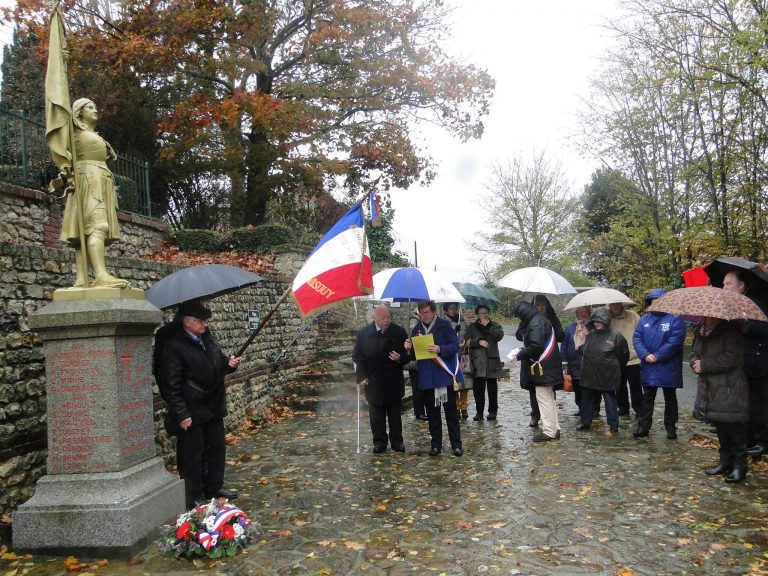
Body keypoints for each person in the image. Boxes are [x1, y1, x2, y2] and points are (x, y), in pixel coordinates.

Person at [159, 300, 242, 508]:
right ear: (188, 322)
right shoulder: (174, 346)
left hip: (213, 405)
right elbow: (171, 384)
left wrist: (228, 364)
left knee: (217, 448)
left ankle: (214, 486)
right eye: (201, 320)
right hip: (191, 408)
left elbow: (218, 362)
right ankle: (193, 494)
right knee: (192, 455)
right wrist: (181, 413)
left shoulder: (207, 338)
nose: (205, 324)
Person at [60, 98, 129, 289]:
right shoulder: (73, 130)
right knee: (98, 226)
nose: (96, 110)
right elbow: (57, 122)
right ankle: (100, 275)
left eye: (95, 107)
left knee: (84, 230)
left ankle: (82, 279)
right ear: (79, 112)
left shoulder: (90, 133)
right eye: (90, 107)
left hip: (98, 177)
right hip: (89, 178)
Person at [691, 316, 750, 483]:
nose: (704, 317)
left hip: (729, 387)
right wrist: (695, 363)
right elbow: (695, 352)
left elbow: (732, 357)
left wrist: (705, 364)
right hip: (710, 387)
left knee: (734, 427)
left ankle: (740, 465)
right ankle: (725, 461)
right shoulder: (701, 331)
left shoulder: (731, 332)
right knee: (720, 426)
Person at [404, 300, 463, 456]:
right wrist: (409, 349)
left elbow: (455, 346)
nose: (425, 315)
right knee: (432, 414)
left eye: (428, 312)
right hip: (428, 378)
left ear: (433, 312)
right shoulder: (416, 330)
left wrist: (440, 348)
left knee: (451, 413)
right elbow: (414, 356)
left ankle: (456, 444)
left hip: (444, 376)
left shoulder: (444, 325)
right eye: (422, 313)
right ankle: (435, 444)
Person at [722, 270, 768, 458]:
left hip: (757, 364)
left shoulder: (755, 302)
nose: (724, 287)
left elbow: (764, 327)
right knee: (742, 404)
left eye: (728, 284)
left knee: (759, 404)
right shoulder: (729, 304)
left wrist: (744, 324)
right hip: (737, 363)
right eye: (723, 284)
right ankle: (747, 439)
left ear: (741, 286)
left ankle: (763, 441)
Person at [352, 305, 409, 453]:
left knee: (395, 416)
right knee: (376, 416)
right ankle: (379, 442)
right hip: (373, 381)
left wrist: (400, 357)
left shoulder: (399, 332)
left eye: (388, 317)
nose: (387, 320)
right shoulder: (364, 334)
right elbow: (357, 356)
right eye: (383, 318)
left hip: (393, 381)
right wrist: (361, 376)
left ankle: (397, 441)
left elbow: (409, 354)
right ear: (375, 318)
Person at [632, 289, 686, 439]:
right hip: (649, 364)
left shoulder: (675, 319)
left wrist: (657, 355)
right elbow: (637, 338)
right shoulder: (644, 320)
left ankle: (670, 427)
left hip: (669, 365)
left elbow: (675, 342)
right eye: (653, 301)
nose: (656, 303)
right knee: (647, 396)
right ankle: (643, 426)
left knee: (670, 396)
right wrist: (644, 354)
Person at [512, 301, 563, 442]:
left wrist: (520, 354)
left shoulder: (535, 323)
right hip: (548, 367)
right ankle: (555, 428)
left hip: (544, 369)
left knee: (544, 399)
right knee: (549, 399)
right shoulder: (539, 320)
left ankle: (549, 431)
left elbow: (536, 346)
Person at [577, 307, 629, 433]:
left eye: (599, 321)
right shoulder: (591, 335)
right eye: (595, 321)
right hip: (589, 372)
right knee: (587, 398)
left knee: (609, 399)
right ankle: (585, 421)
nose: (596, 323)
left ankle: (613, 425)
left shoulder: (616, 336)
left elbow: (623, 357)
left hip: (607, 374)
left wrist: (612, 367)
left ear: (606, 321)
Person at [466, 304, 505, 421]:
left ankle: (493, 412)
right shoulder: (472, 326)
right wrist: (478, 342)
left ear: (488, 314)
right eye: (481, 313)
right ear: (477, 315)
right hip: (477, 362)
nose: (484, 315)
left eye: (486, 313)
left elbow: (499, 336)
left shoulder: (496, 325)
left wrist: (489, 327)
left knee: (492, 389)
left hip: (491, 360)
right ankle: (479, 412)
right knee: (478, 390)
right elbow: (467, 342)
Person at [608, 302, 641, 417]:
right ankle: (623, 408)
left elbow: (641, 331)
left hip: (634, 358)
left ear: (621, 304)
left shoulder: (633, 315)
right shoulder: (608, 318)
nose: (615, 306)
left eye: (617, 304)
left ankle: (638, 408)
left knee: (636, 386)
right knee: (619, 386)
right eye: (612, 305)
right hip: (616, 358)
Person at [441, 303, 472, 419]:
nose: (453, 311)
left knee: (465, 384)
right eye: (451, 308)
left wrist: (466, 341)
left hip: (463, 355)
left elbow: (468, 335)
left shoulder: (462, 321)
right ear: (446, 310)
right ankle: (456, 406)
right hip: (451, 357)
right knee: (454, 384)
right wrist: (454, 333)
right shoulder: (443, 323)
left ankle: (464, 407)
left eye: (455, 308)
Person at [561, 306, 591, 416]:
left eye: (585, 311)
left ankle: (593, 409)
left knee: (589, 387)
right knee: (577, 388)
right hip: (574, 364)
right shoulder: (569, 328)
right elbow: (563, 346)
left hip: (589, 364)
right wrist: (564, 361)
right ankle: (581, 407)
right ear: (577, 314)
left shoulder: (592, 327)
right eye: (581, 312)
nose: (583, 314)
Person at [405, 308, 428, 421]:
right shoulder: (414, 320)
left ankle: (426, 409)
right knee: (417, 386)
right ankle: (419, 412)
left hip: (425, 356)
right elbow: (415, 333)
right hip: (415, 357)